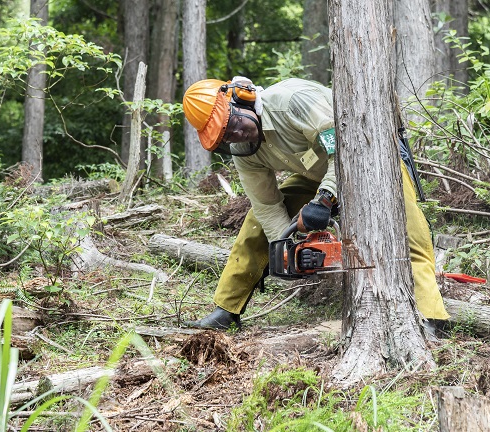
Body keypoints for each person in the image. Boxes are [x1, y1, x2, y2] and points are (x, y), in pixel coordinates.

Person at [181, 77, 449, 330]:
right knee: (256, 224)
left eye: (233, 123)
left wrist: (324, 199)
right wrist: (287, 249)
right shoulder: (244, 151)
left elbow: (346, 148)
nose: (236, 134)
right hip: (317, 173)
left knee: (409, 232)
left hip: (372, 159)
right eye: (226, 135)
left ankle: (431, 316)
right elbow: (266, 204)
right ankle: (226, 310)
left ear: (243, 99)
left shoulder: (293, 103)